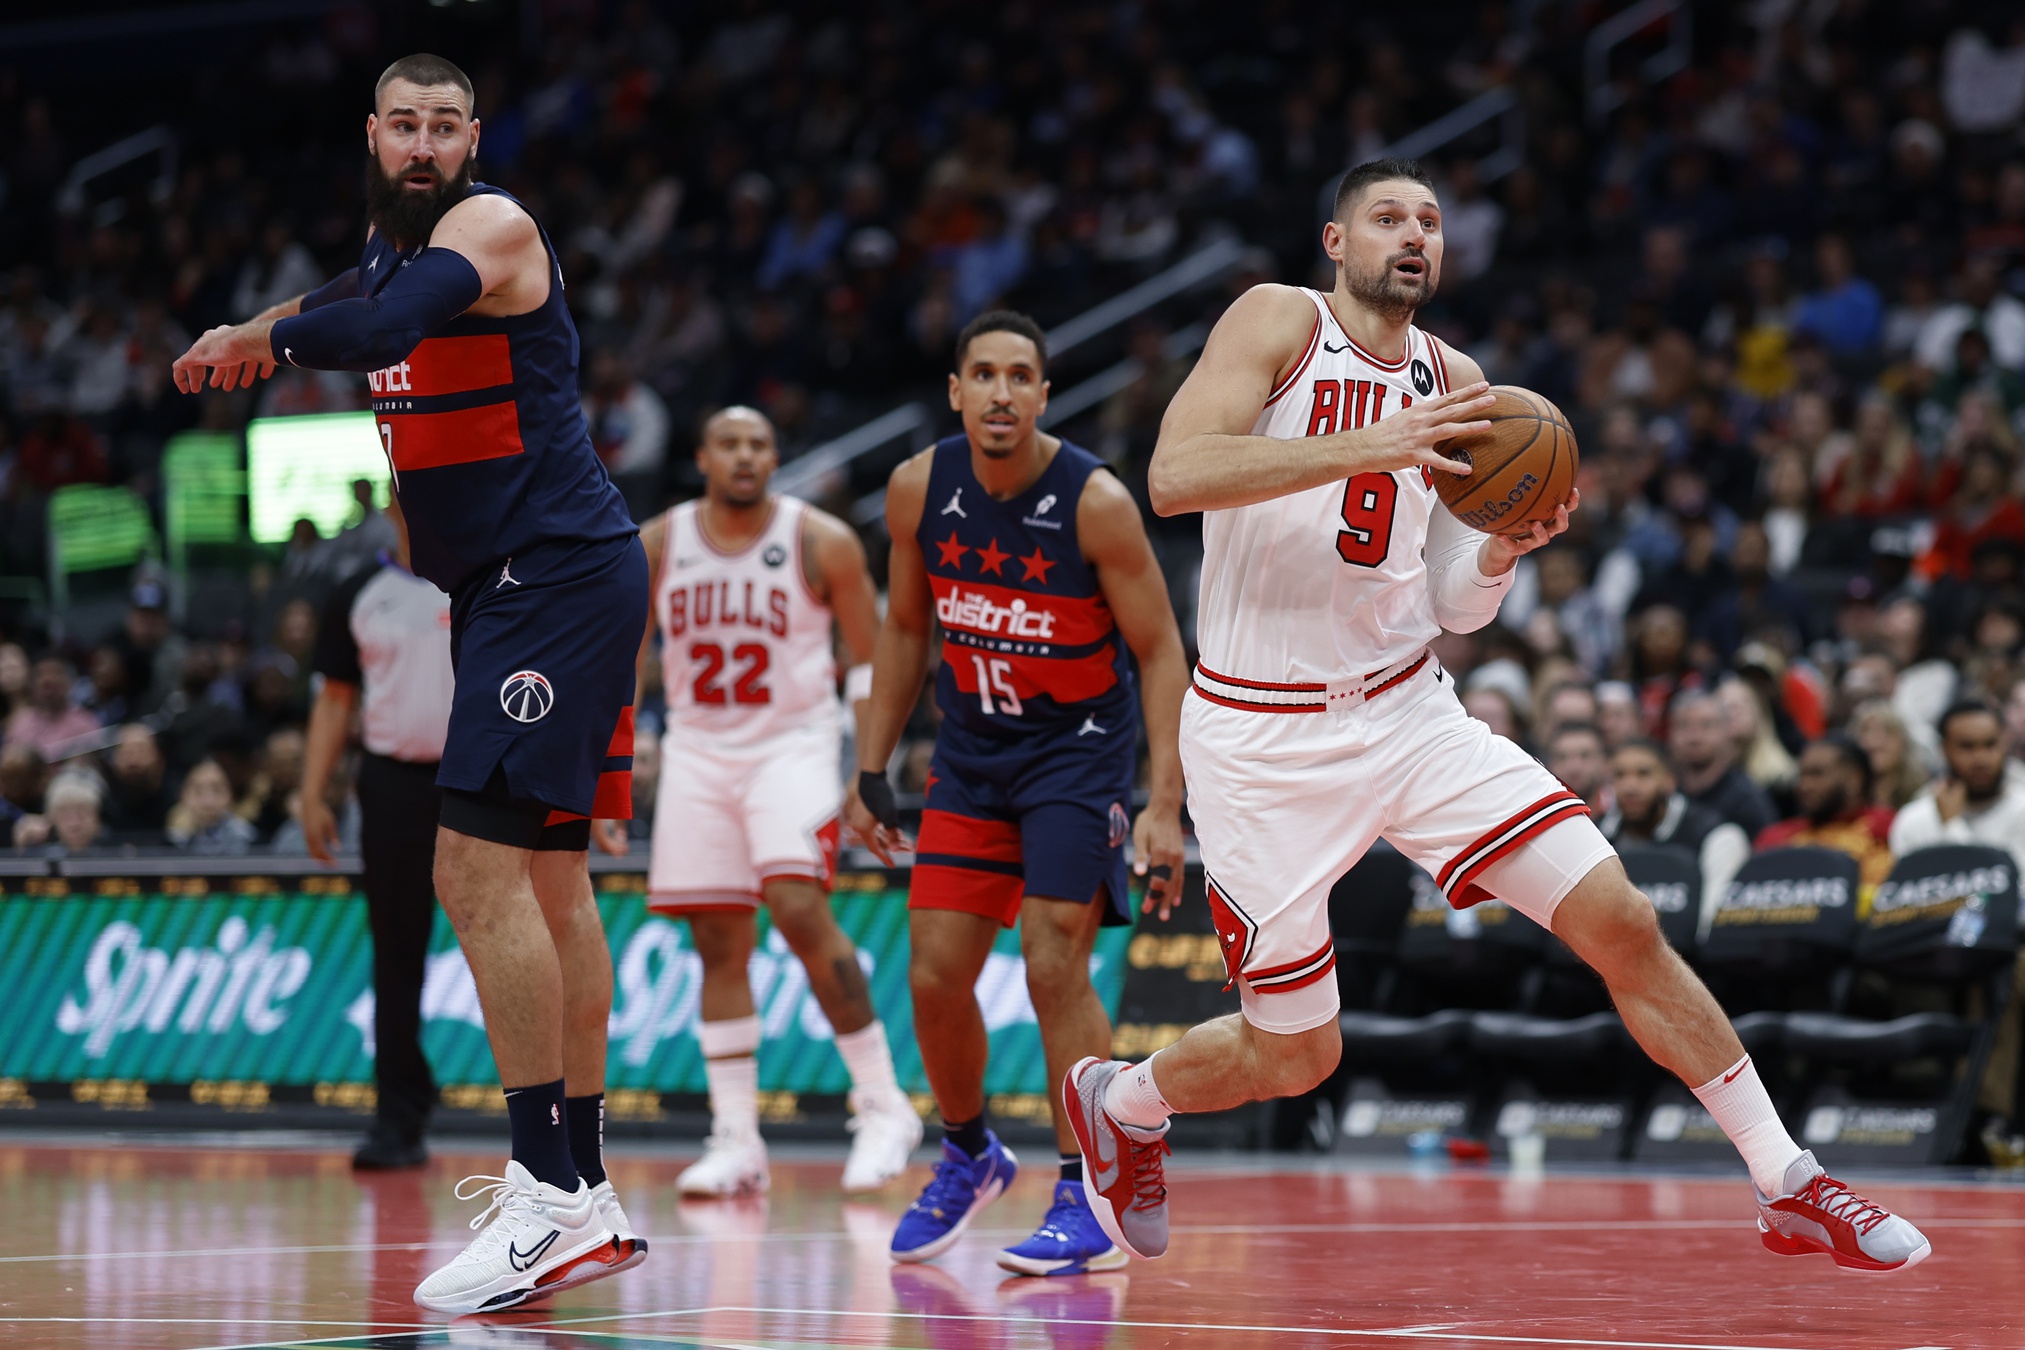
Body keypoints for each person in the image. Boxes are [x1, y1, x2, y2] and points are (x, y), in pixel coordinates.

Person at [1065, 158, 1927, 1273]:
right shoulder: (1278, 320)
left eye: (1428, 219)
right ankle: (1123, 1100)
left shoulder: (1460, 379)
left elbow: (1444, 598)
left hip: (1409, 712)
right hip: (1260, 737)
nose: (1413, 234)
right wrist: (1371, 443)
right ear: (1336, 242)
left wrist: (1502, 551)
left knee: (1620, 919)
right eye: (1387, 217)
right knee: (1299, 1057)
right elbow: (1177, 474)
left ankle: (1788, 1180)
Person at [171, 53, 647, 1311]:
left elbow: (376, 329)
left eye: (446, 126)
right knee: (549, 875)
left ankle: (542, 1189)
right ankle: (584, 1190)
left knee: (471, 868)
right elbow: (348, 294)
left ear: (473, 136)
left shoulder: (486, 229)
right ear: (372, 135)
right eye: (406, 127)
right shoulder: (385, 250)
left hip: (550, 579)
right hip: (518, 591)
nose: (425, 145)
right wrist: (249, 330)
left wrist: (270, 336)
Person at [844, 309, 1188, 1276]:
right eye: (983, 375)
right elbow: (906, 630)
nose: (1001, 392)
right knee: (931, 974)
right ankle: (967, 1154)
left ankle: (1088, 1192)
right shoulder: (918, 486)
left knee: (1049, 961)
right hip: (970, 753)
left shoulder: (1095, 500)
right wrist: (871, 766)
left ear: (1043, 393)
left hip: (1076, 755)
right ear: (955, 392)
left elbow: (1161, 650)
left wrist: (1164, 803)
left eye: (1020, 376)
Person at [638, 405, 921, 1198]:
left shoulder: (819, 538)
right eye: (728, 442)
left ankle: (882, 1105)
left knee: (798, 907)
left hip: (791, 746)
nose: (743, 455)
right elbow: (620, 656)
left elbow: (871, 661)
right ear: (701, 456)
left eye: (758, 444)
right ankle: (736, 1139)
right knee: (718, 945)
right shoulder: (659, 543)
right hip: (696, 749)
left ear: (774, 458)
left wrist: (869, 769)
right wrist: (617, 764)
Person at [302, 493, 454, 1171]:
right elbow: (336, 700)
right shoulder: (359, 592)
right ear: (394, 501)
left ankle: (542, 1124)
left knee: (510, 948)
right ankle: (399, 1116)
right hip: (392, 783)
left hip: (484, 782)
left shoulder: (493, 578)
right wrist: (311, 790)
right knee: (396, 951)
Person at [1599, 739, 1751, 937]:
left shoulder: (1716, 836)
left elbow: (1713, 932)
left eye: (1643, 774)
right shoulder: (1594, 834)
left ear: (1669, 781)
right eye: (1619, 775)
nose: (1630, 786)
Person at [1889, 700, 2025, 864]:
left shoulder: (2021, 810)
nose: (1980, 759)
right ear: (1944, 749)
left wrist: (1952, 826)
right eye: (1967, 746)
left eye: (1990, 745)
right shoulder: (1913, 820)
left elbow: (1999, 884)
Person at [1754, 736, 1896, 891]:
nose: (1804, 786)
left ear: (1854, 780)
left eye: (1817, 774)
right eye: (1802, 775)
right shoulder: (1774, 838)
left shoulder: (1887, 826)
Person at [1670, 688, 1780, 839]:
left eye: (1706, 725)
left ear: (1726, 731)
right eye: (1683, 725)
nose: (1694, 736)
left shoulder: (1747, 800)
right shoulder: (1666, 793)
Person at [1545, 721, 1612, 815]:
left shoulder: (1621, 811)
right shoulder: (1538, 815)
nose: (1574, 767)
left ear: (1604, 763)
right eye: (1562, 757)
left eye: (1585, 756)